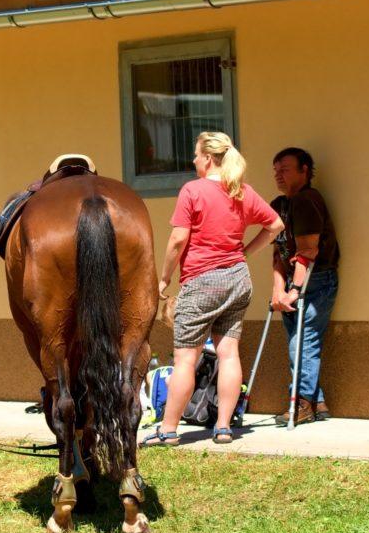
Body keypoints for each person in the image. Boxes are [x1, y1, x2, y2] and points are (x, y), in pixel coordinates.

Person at [141, 132, 283, 446]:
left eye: (196, 155)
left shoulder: (193, 190)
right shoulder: (242, 191)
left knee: (185, 360)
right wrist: (245, 252)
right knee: (228, 354)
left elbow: (178, 240)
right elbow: (275, 225)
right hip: (237, 280)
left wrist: (164, 278)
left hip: (201, 281)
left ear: (208, 158)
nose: (193, 160)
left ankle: (168, 430)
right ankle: (223, 427)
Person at [269, 148, 340, 425]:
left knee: (304, 341)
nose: (279, 175)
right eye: (276, 170)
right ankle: (317, 401)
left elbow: (308, 251)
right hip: (293, 281)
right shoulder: (280, 205)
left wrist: (294, 290)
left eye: (285, 169)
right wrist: (278, 290)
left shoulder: (307, 200)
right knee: (298, 343)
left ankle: (302, 403)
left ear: (304, 171)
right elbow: (279, 252)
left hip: (316, 279)